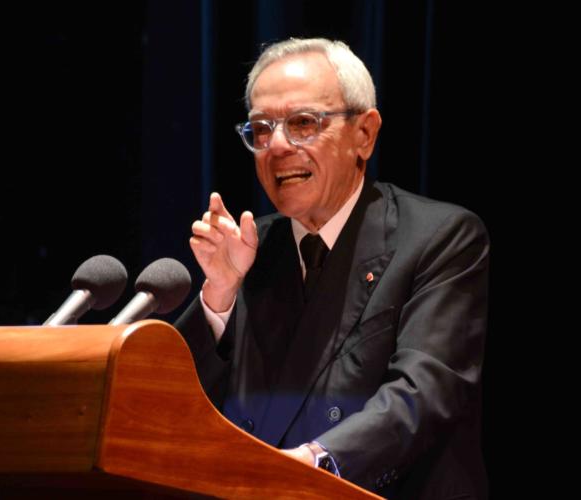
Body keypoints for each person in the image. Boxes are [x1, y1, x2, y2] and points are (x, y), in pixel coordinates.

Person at [174, 38, 489, 499]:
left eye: (303, 123)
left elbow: (423, 393)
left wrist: (312, 465)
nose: (277, 146)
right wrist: (219, 294)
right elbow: (175, 406)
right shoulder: (248, 248)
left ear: (364, 134)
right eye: (261, 129)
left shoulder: (439, 236)